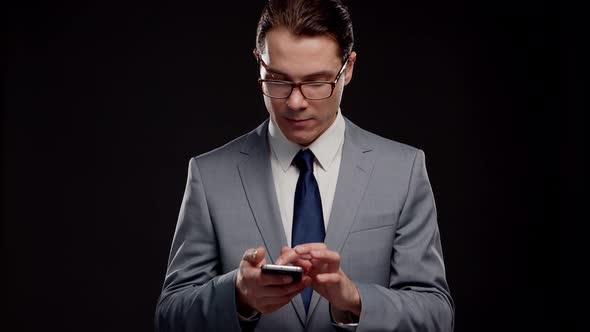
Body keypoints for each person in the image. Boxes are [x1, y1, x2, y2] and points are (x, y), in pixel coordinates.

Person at [155, 0, 454, 331]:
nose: (295, 103)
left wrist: (354, 300)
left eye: (316, 83)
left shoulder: (403, 171)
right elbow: (169, 317)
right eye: (278, 80)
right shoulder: (209, 175)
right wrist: (238, 296)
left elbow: (437, 316)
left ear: (349, 68)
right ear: (259, 64)